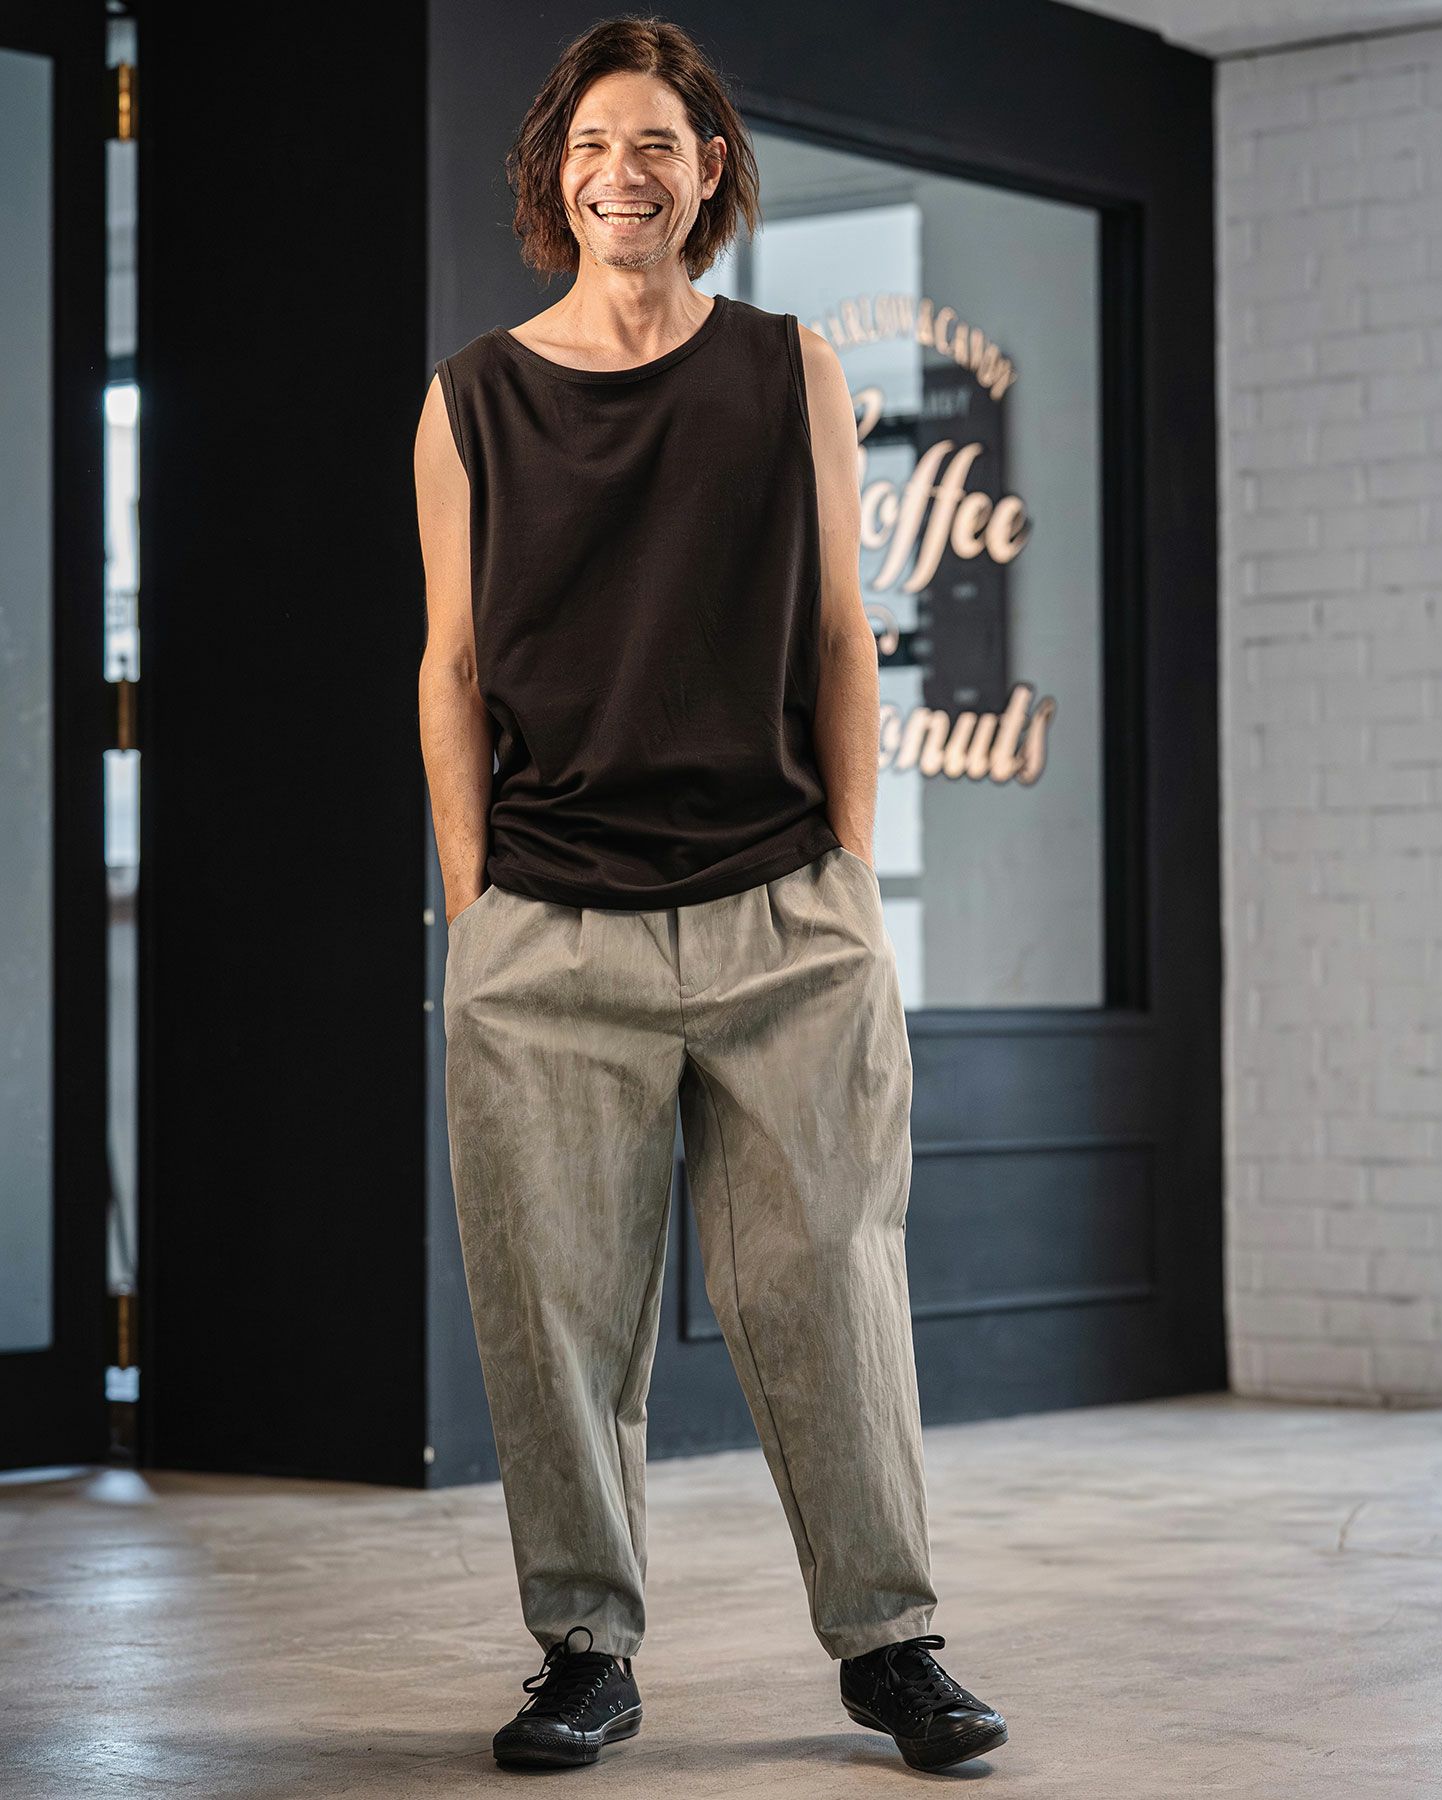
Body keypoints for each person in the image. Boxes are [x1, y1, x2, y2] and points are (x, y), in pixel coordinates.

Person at [413, 14, 1008, 1778]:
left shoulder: (784, 369)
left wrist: (852, 876)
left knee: (831, 1283)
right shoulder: (470, 399)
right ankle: (584, 1653)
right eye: (595, 142)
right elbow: (451, 670)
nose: (626, 173)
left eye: (659, 143)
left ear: (710, 171)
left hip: (783, 917)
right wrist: (475, 912)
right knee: (556, 1313)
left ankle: (893, 1648)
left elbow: (840, 634)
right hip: (546, 930)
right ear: (557, 171)